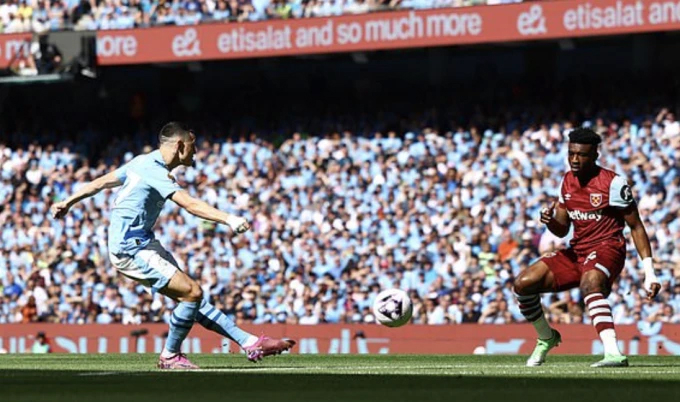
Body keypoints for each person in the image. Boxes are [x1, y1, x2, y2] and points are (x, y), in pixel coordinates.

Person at [51, 122, 295, 369]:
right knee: (192, 292)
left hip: (144, 242)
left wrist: (68, 202)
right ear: (179, 145)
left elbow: (101, 182)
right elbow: (189, 204)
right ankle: (170, 356)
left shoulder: (141, 162)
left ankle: (250, 342)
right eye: (193, 145)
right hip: (130, 248)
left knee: (191, 298)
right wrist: (229, 219)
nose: (195, 151)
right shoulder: (153, 169)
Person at [513, 127, 661, 368]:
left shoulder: (613, 183)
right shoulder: (566, 181)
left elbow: (636, 226)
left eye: (580, 155)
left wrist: (649, 273)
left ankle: (613, 353)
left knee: (590, 283)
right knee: (523, 283)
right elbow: (562, 228)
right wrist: (550, 221)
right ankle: (546, 338)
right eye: (571, 153)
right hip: (577, 250)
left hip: (607, 247)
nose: (574, 159)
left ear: (594, 156)